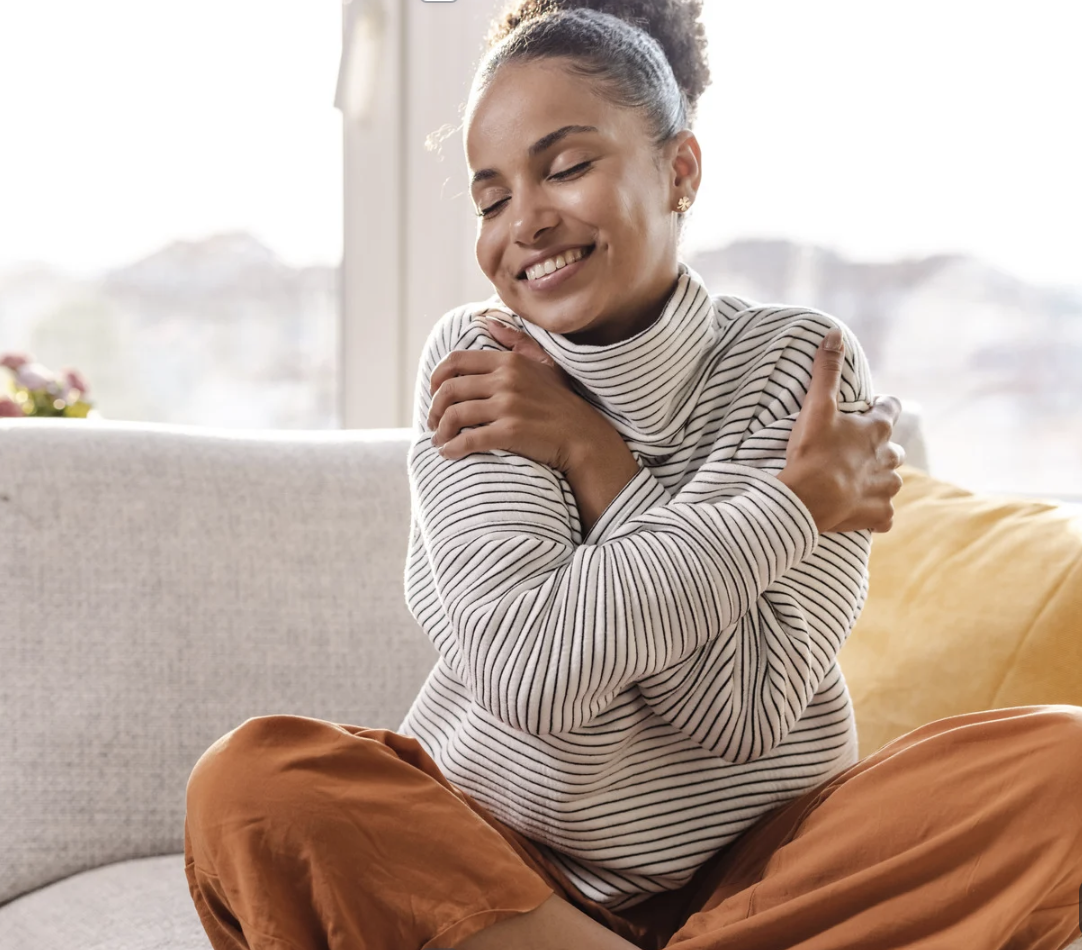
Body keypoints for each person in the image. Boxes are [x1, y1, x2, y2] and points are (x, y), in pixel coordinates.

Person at [182, 2, 1082, 948]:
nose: (524, 221)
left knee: (1064, 763)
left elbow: (742, 711)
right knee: (254, 784)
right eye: (490, 198)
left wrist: (596, 458)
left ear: (679, 170)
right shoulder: (480, 357)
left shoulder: (797, 365)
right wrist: (792, 508)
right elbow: (533, 674)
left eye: (566, 167)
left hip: (762, 875)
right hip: (505, 874)